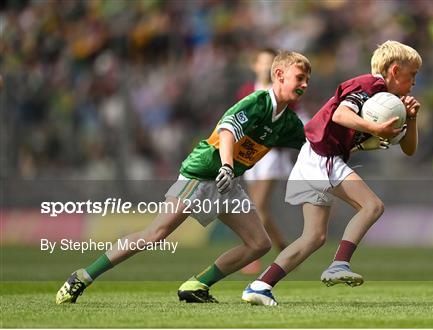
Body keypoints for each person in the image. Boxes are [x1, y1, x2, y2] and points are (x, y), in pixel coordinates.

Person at [55, 50, 311, 304]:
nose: (304, 85)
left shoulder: (288, 122)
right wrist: (226, 166)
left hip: (227, 182)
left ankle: (196, 285)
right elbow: (227, 131)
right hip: (202, 173)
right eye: (299, 78)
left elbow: (315, 142)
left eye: (307, 80)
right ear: (279, 74)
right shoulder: (257, 102)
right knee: (155, 234)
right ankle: (83, 276)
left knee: (259, 244)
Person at [242, 40, 422, 306]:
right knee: (372, 206)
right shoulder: (369, 86)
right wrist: (374, 130)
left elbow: (409, 149)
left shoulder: (389, 103)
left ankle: (260, 285)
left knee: (313, 237)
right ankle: (339, 263)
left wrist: (412, 119)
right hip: (321, 156)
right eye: (413, 75)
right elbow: (340, 114)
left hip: (314, 156)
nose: (415, 82)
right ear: (395, 71)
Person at [236, 48, 301, 274]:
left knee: (256, 206)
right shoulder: (247, 91)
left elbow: (289, 120)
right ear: (254, 65)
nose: (266, 67)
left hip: (271, 153)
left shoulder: (283, 90)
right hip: (249, 152)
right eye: (262, 63)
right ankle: (284, 248)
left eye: (270, 63)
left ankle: (251, 252)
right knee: (257, 207)